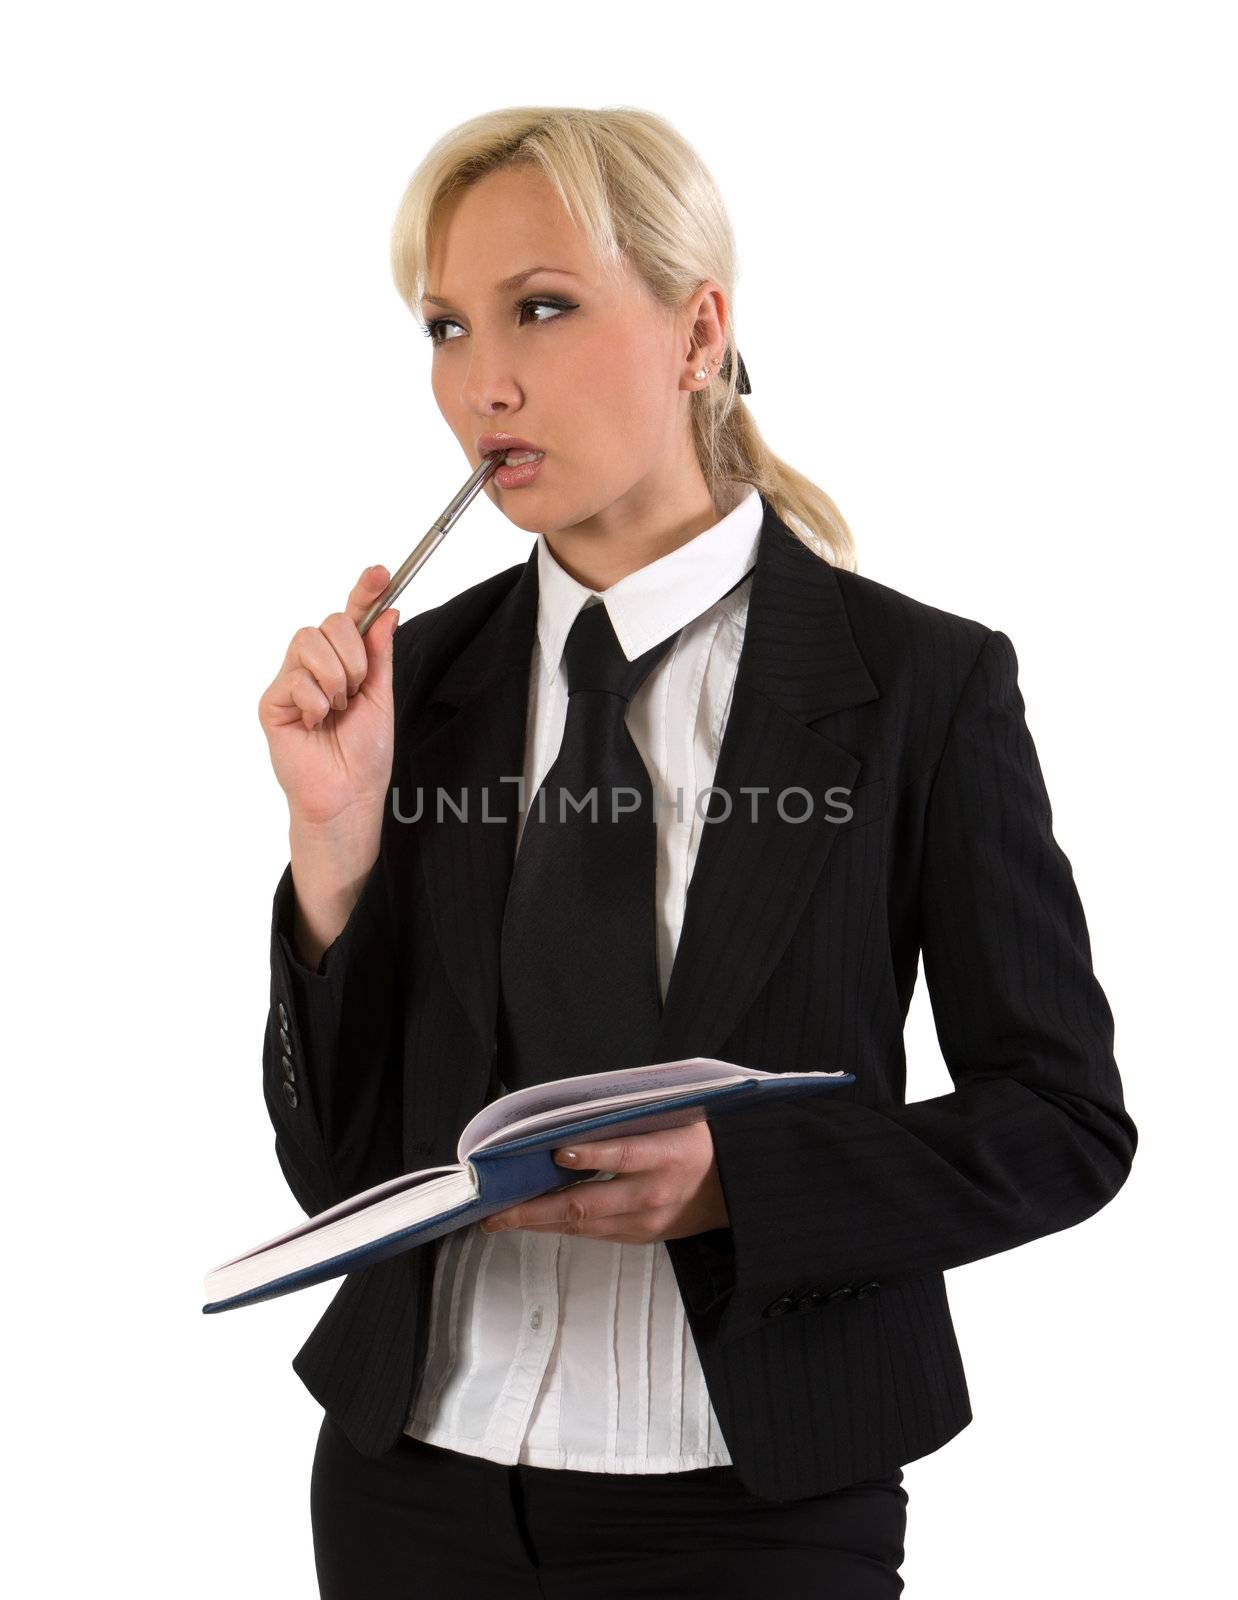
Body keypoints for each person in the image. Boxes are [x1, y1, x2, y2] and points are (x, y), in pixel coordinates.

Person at [255, 106, 1137, 1600]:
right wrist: (332, 850)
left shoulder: (916, 687)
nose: (485, 383)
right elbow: (337, 1173)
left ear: (696, 328)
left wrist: (747, 1178)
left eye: (540, 308)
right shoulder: (422, 692)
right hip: (408, 1494)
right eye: (446, 328)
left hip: (752, 1508)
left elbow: (1062, 1125)